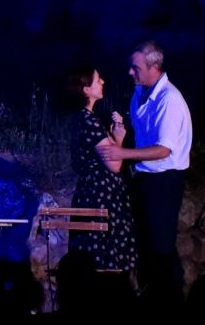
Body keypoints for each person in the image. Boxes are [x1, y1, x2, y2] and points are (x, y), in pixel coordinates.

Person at [97, 40, 192, 301]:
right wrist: (122, 135)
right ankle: (153, 296)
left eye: (135, 67)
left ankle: (171, 297)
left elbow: (164, 149)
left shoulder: (169, 99)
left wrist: (122, 153)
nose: (130, 72)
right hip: (145, 177)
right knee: (147, 243)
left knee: (161, 245)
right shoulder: (141, 93)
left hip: (164, 179)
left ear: (154, 67)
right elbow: (143, 137)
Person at [64, 63, 138, 281]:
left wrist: (118, 138)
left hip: (94, 191)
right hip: (100, 195)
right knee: (103, 257)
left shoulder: (84, 119)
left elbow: (110, 157)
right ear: (86, 89)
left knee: (100, 257)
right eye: (98, 80)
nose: (103, 82)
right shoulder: (88, 121)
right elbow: (114, 164)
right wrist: (120, 142)